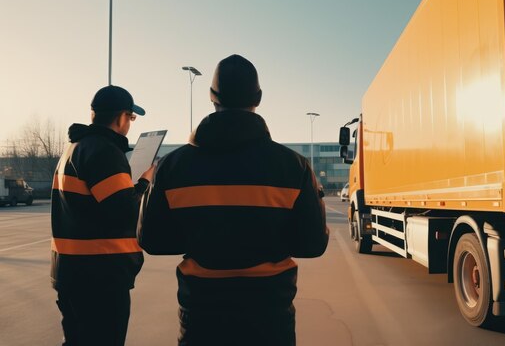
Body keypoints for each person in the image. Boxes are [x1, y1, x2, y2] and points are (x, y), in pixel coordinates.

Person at [138, 54, 329, 346]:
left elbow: (153, 241)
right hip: (270, 317)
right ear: (259, 98)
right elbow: (313, 244)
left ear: (212, 97)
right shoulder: (294, 166)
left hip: (202, 316)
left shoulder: (173, 166)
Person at [51, 85, 154, 346]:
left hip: (71, 272)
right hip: (100, 278)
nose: (129, 124)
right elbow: (125, 212)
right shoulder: (105, 153)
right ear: (122, 117)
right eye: (131, 118)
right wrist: (145, 183)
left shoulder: (74, 149)